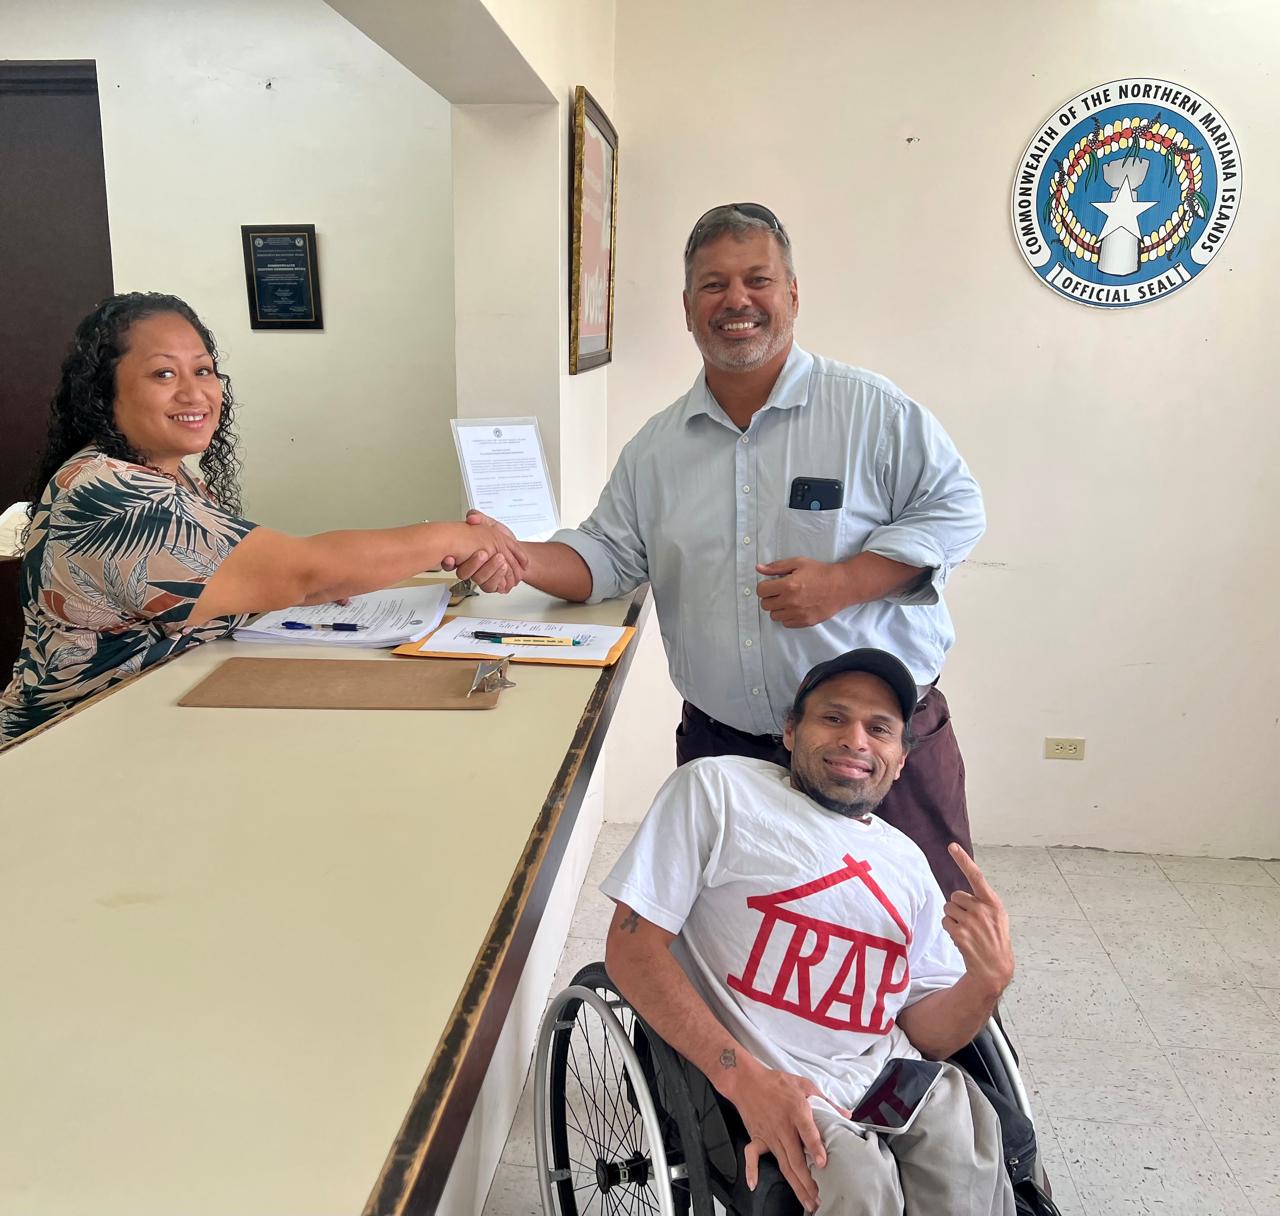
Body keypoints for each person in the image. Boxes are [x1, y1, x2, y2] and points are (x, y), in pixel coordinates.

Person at [446, 204, 985, 894]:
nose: (737, 301)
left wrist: (848, 581)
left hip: (874, 746)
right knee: (735, 965)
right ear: (687, 307)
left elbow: (956, 508)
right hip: (726, 750)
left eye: (757, 280)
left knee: (924, 948)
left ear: (792, 293)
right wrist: (515, 554)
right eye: (714, 285)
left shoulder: (870, 413)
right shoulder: (658, 448)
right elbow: (606, 554)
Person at [0, 292, 526, 745]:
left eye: (203, 370)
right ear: (104, 392)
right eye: (164, 373)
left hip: (154, 724)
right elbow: (304, 571)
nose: (194, 393)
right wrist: (458, 536)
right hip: (66, 753)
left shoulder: (172, 478)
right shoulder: (108, 493)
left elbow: (275, 580)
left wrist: (320, 586)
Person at [601, 648, 1015, 1215]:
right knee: (859, 1183)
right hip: (775, 1076)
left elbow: (927, 1031)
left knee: (968, 1156)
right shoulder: (716, 791)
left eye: (880, 730)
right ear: (790, 731)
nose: (856, 740)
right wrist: (742, 1080)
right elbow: (631, 949)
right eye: (833, 718)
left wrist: (986, 983)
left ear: (899, 760)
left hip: (890, 1079)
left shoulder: (908, 861)